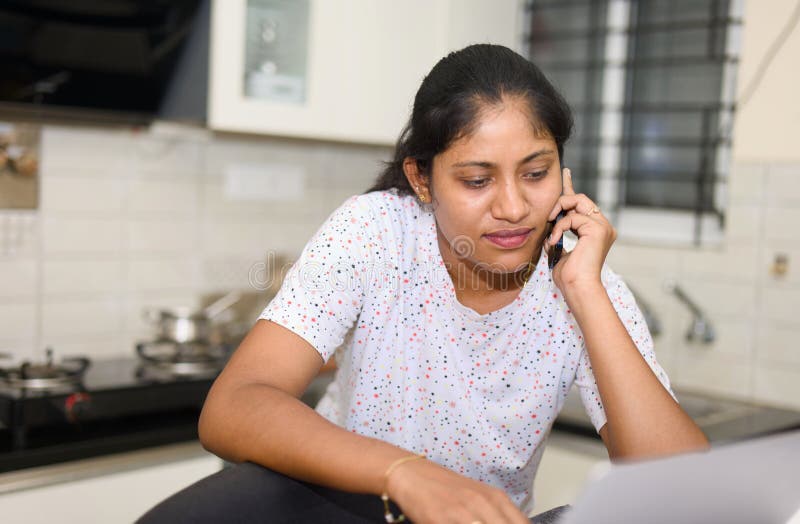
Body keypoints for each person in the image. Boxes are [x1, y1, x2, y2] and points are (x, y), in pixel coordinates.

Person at [138, 44, 709, 524]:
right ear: (423, 180)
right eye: (477, 180)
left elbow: (685, 489)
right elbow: (233, 407)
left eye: (536, 173)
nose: (513, 207)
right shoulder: (375, 233)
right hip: (345, 504)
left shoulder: (585, 281)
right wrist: (404, 473)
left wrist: (586, 293)